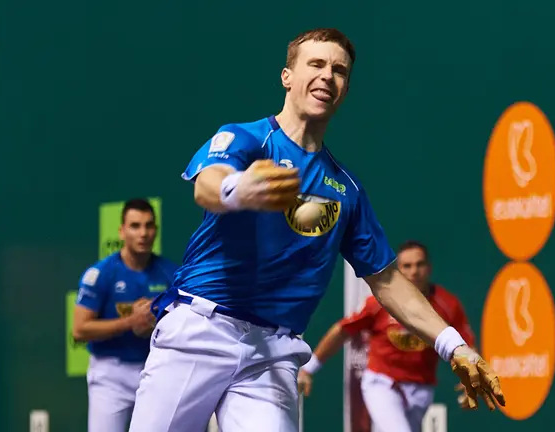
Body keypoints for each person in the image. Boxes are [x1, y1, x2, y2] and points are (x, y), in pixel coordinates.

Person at [129, 28, 504, 432]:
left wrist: (455, 347)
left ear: (345, 89)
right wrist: (239, 188)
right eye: (316, 64)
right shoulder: (248, 139)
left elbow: (389, 282)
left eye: (339, 70)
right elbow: (207, 184)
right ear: (287, 76)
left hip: (271, 354)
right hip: (199, 332)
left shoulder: (346, 189)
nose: (328, 76)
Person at [298, 241, 476, 432]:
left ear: (429, 267)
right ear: (398, 271)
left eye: (420, 264)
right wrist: (309, 368)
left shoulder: (447, 304)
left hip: (421, 388)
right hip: (382, 383)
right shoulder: (380, 302)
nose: (414, 271)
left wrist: (470, 377)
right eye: (407, 266)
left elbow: (464, 344)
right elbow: (342, 331)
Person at [73, 199, 179, 432]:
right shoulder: (100, 274)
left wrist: (156, 325)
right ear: (121, 231)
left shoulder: (171, 274)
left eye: (149, 226)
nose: (143, 233)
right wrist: (131, 322)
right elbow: (80, 329)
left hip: (156, 370)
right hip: (110, 375)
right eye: (135, 226)